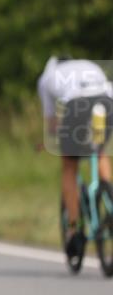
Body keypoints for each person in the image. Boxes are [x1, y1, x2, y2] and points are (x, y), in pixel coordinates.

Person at [37, 55, 113, 261]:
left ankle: (73, 229)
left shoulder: (47, 78)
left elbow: (52, 124)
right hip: (106, 101)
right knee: (99, 151)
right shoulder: (88, 65)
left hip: (77, 105)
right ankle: (108, 198)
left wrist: (56, 137)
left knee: (70, 166)